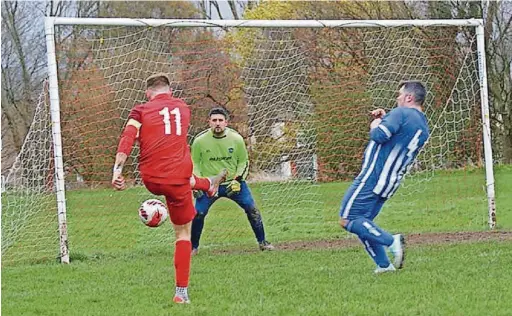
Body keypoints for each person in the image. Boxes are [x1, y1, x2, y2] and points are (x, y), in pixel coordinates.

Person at [111, 73, 226, 304]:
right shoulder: (183, 108)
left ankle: (207, 185)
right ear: (170, 91)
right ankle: (181, 293)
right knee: (183, 234)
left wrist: (117, 171)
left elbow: (127, 137)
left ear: (147, 93)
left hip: (151, 178)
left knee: (183, 180)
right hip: (178, 178)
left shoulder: (140, 111)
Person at [339, 81, 430, 274]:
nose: (397, 98)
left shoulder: (402, 113)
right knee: (363, 223)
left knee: (348, 219)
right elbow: (397, 136)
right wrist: (386, 117)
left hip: (373, 176)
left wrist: (376, 123)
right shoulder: (422, 124)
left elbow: (379, 135)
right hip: (390, 180)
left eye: (400, 95)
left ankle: (392, 241)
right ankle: (384, 266)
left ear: (409, 98)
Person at [190, 107, 274, 254]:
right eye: (214, 120)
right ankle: (193, 248)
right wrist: (198, 183)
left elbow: (243, 161)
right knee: (198, 213)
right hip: (208, 185)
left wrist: (237, 180)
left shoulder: (236, 139)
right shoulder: (199, 141)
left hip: (234, 183)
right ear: (208, 122)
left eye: (220, 120)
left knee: (252, 209)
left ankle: (263, 242)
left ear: (226, 122)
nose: (217, 123)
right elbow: (194, 163)